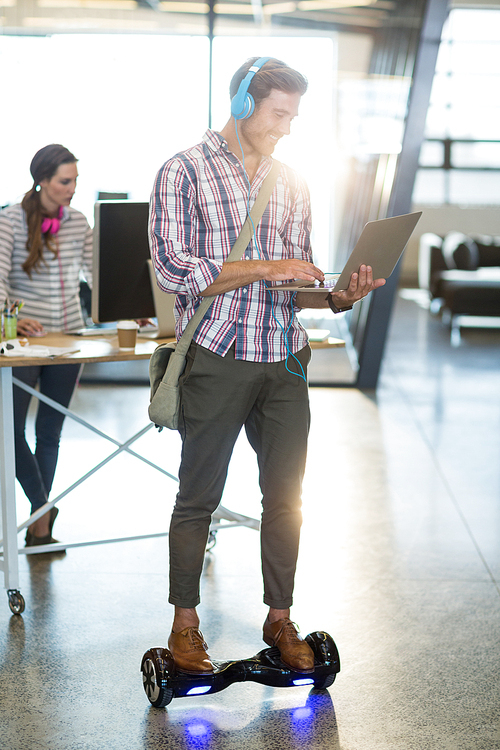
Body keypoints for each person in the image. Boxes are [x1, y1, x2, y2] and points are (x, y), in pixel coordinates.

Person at [149, 57, 386, 674]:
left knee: (287, 497)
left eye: (293, 116)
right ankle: (185, 626)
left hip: (283, 356)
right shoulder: (183, 172)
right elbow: (177, 272)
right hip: (218, 352)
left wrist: (339, 294)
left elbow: (299, 278)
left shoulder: (293, 181)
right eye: (279, 113)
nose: (286, 127)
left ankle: (279, 619)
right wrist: (267, 266)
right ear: (242, 103)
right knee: (197, 495)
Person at [0, 144, 93, 547]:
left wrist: (129, 306)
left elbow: (95, 273)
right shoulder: (11, 221)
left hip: (69, 337)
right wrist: (14, 316)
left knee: (50, 432)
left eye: (75, 181)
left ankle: (39, 528)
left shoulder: (78, 222)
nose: (71, 189)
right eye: (64, 182)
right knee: (10, 430)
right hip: (24, 341)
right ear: (42, 179)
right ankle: (43, 506)